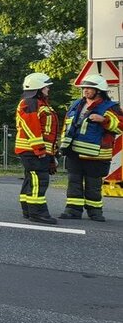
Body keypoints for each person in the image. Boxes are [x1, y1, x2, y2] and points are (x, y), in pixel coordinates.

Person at [58, 74, 122, 222]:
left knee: (93, 185)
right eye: (84, 88)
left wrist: (104, 120)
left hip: (97, 155)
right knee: (74, 182)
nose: (85, 90)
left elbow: (120, 126)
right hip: (74, 152)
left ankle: (95, 212)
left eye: (89, 88)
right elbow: (67, 126)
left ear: (98, 90)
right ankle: (72, 210)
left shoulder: (110, 107)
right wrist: (63, 145)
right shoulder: (76, 105)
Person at [15, 73, 60, 223]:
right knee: (40, 181)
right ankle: (38, 213)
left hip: (35, 151)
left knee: (31, 180)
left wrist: (51, 154)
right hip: (33, 151)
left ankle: (28, 210)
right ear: (38, 88)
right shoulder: (30, 103)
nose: (48, 89)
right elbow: (31, 127)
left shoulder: (38, 103)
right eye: (46, 87)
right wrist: (39, 149)